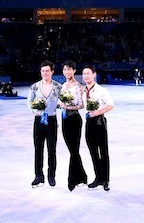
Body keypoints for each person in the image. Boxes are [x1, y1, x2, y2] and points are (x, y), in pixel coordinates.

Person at [27, 59, 62, 188]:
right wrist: (36, 110)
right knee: (38, 149)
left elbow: (64, 100)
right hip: (38, 121)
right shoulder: (35, 86)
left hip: (52, 121)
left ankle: (51, 176)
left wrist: (61, 106)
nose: (45, 73)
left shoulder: (58, 86)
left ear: (52, 72)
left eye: (47, 71)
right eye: (43, 71)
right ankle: (38, 176)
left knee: (51, 150)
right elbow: (29, 102)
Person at [82, 65, 114, 191]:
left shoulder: (101, 90)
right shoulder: (83, 90)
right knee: (93, 151)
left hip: (99, 122)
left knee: (103, 152)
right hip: (89, 122)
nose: (86, 76)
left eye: (88, 73)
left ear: (94, 74)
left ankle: (106, 180)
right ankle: (98, 178)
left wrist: (97, 112)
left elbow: (110, 105)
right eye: (84, 74)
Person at [58, 60, 88, 191]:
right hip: (64, 118)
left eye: (69, 69)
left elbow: (82, 105)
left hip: (75, 118)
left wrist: (70, 106)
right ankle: (82, 176)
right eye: (65, 69)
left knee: (74, 149)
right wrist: (61, 104)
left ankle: (72, 180)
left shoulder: (79, 87)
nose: (67, 72)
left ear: (74, 71)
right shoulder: (63, 86)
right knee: (73, 150)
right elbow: (59, 102)